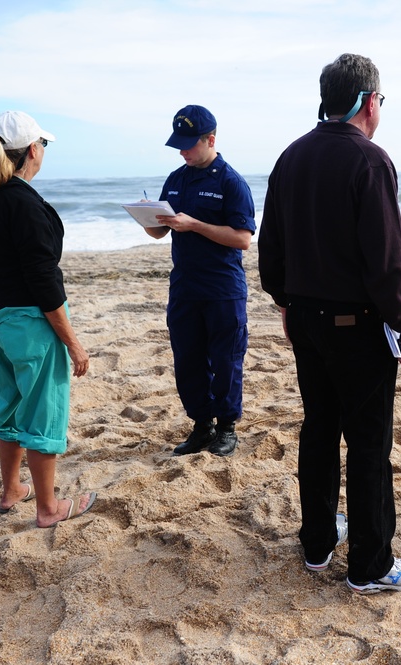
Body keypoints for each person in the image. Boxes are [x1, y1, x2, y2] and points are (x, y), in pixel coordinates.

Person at [259, 53, 401, 594]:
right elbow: (386, 262)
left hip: (306, 319)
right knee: (368, 440)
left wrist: (285, 302)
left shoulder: (290, 157)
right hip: (355, 324)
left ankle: (316, 543)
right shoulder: (369, 160)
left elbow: (272, 250)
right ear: (369, 101)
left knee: (318, 428)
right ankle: (371, 565)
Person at [0, 110, 97, 528]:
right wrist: (72, 341)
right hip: (28, 321)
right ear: (33, 151)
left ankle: (10, 490)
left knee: (11, 403)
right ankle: (48, 509)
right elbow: (44, 282)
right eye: (44, 146)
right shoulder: (22, 203)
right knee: (42, 411)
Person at [143, 105, 256, 457]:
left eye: (189, 144)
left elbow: (243, 238)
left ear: (211, 139)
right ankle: (201, 425)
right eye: (179, 144)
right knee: (188, 360)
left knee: (225, 361)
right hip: (185, 287)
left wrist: (196, 225)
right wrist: (146, 217)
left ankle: (226, 428)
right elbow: (160, 233)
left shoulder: (231, 182)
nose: (183, 151)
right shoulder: (176, 178)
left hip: (223, 288)